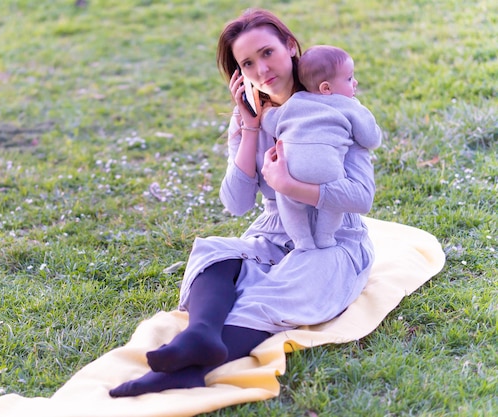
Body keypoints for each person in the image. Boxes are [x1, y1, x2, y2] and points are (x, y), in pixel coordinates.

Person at [109, 8, 376, 398]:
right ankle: (199, 334)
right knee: (213, 254)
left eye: (267, 53)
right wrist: (250, 127)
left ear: (290, 46)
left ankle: (188, 370)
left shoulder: (330, 107)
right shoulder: (248, 116)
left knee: (268, 295)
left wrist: (288, 184)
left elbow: (361, 197)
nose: (261, 69)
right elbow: (235, 203)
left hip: (330, 241)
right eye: (247, 63)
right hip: (272, 235)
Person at [260, 45, 382, 250]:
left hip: (290, 167)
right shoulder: (349, 105)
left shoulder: (294, 102)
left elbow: (271, 122)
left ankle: (302, 241)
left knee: (289, 202)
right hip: (325, 168)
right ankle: (325, 237)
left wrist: (263, 112)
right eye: (349, 78)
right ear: (326, 88)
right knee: (332, 203)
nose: (355, 83)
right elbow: (371, 138)